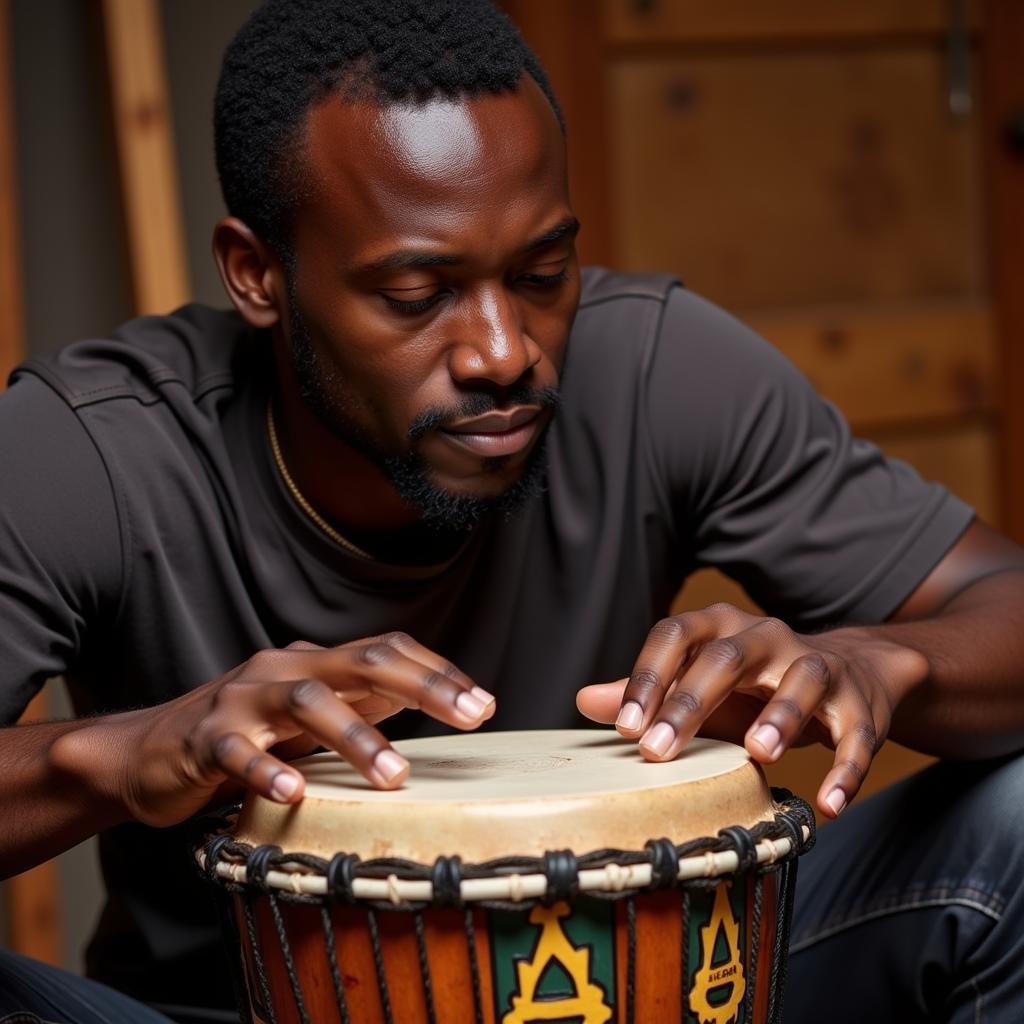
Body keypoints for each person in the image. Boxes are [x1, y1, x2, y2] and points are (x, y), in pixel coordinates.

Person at [1, 1, 1022, 1022]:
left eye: (541, 275)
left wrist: (879, 662)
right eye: (416, 292)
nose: (505, 351)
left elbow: (997, 596)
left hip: (655, 981)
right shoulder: (92, 447)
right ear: (258, 274)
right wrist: (130, 754)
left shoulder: (657, 370)